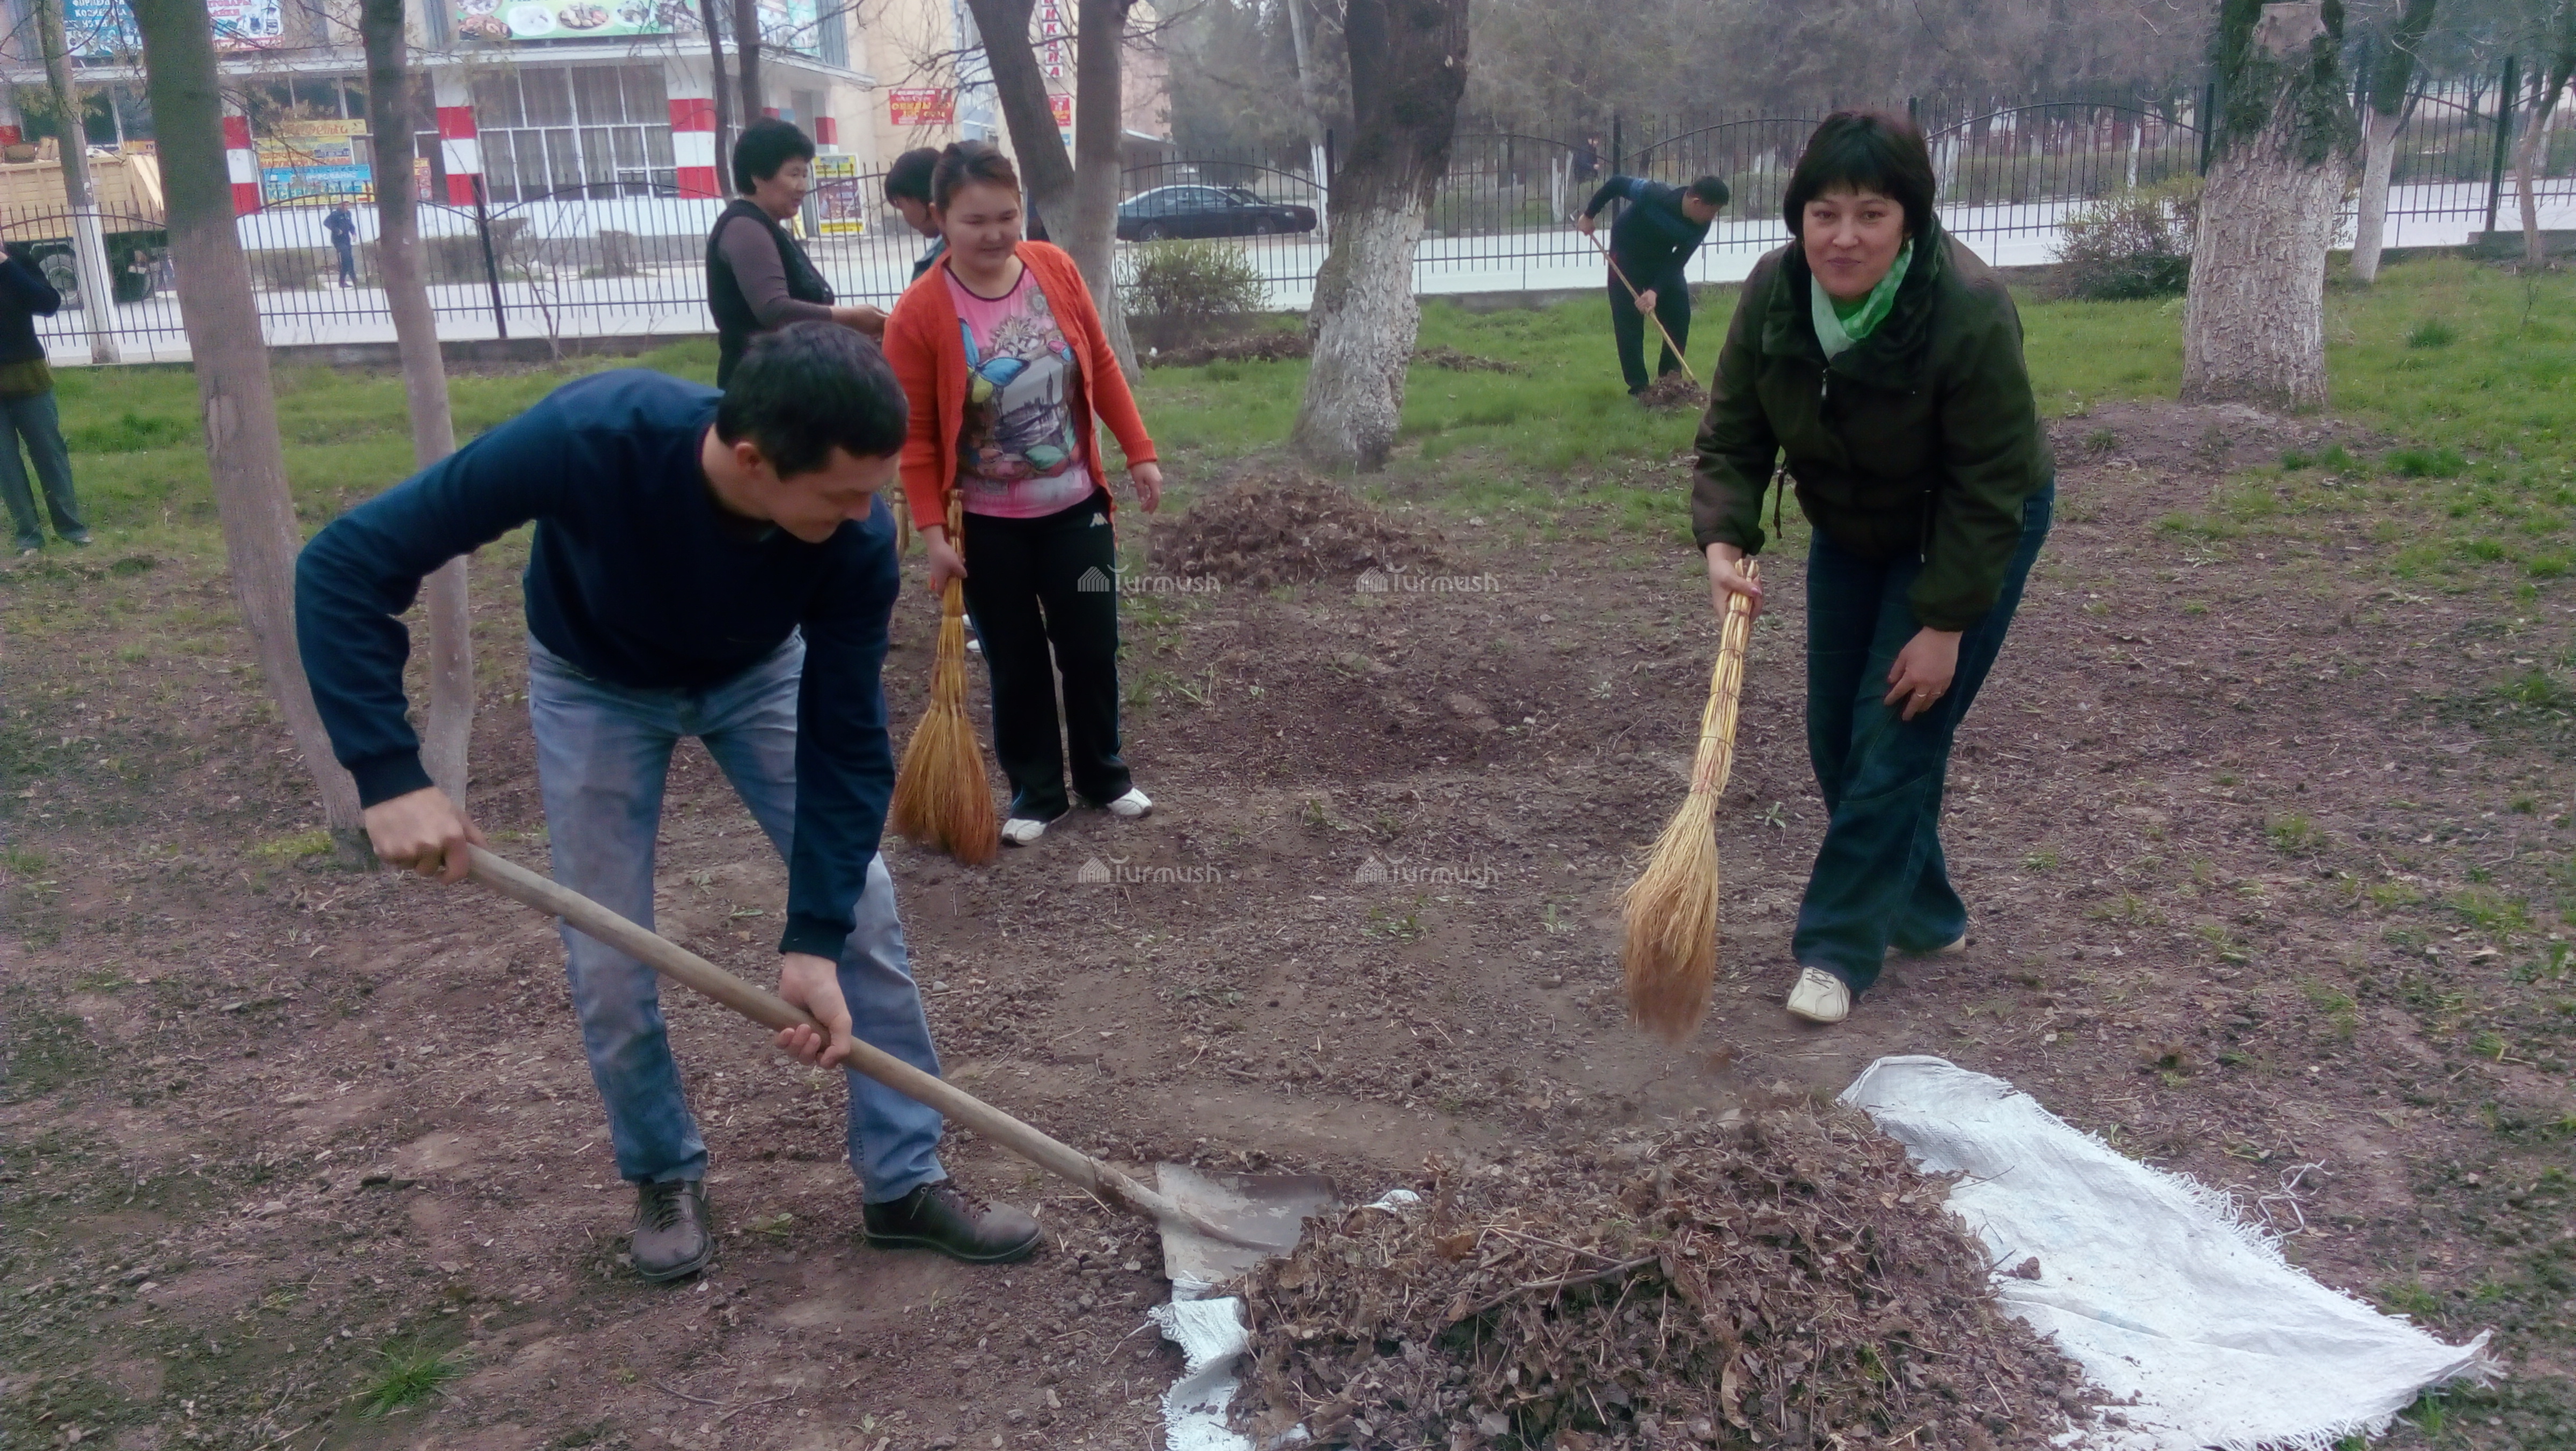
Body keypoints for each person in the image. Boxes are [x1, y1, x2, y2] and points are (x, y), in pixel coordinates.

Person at [292, 323, 1042, 1281]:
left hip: (759, 673)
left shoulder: (852, 543)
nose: (868, 516)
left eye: (875, 489)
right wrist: (390, 774)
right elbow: (345, 565)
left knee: (864, 914)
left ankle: (905, 1180)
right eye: (842, 493)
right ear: (752, 460)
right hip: (593, 682)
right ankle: (662, 1172)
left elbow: (845, 746)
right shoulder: (589, 438)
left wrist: (812, 935)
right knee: (607, 953)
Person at [1690, 111, 2052, 1027]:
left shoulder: (1966, 308)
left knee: (1895, 729)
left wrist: (1946, 624)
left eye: (1871, 214)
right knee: (1835, 736)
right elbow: (1735, 432)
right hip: (1853, 522)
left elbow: (1989, 485)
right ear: (1799, 218)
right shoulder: (1776, 291)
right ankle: (1926, 915)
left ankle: (1836, 950)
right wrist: (1724, 539)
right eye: (1824, 214)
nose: (1843, 237)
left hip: (1964, 525)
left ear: (1910, 220)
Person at [883, 141, 1161, 848]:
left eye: (1007, 216)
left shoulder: (1054, 269)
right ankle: (1037, 792)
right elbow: (915, 438)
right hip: (986, 526)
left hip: (1076, 510)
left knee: (1092, 646)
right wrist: (934, 538)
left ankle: (1103, 775)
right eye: (975, 221)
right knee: (1016, 660)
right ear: (941, 217)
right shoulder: (919, 313)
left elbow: (1099, 361)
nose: (995, 234)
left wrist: (1139, 452)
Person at [707, 119, 885, 387]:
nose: (802, 186)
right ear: (758, 177)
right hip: (761, 389)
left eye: (805, 174)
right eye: (793, 174)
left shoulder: (770, 227)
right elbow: (775, 310)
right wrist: (852, 318)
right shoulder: (745, 227)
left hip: (790, 381)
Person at [1577, 172, 1729, 396]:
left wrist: (1655, 291)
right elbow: (1617, 183)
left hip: (1662, 260)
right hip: (1626, 254)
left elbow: (1678, 260)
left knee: (1679, 312)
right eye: (1713, 211)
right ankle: (1639, 387)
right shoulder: (1654, 193)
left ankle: (1670, 380)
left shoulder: (1700, 226)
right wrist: (1589, 215)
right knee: (1628, 319)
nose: (1713, 217)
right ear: (1697, 203)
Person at [0, 240, 86, 559]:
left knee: (50, 453)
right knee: (5, 462)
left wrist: (6, 265)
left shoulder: (17, 260)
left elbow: (47, 303)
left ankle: (71, 529)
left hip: (28, 373)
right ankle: (28, 537)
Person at [885, 146, 947, 281]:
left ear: (920, 196)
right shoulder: (951, 246)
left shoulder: (948, 256)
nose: (904, 215)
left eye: (900, 204)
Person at [325, 203, 358, 288]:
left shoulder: (348, 214)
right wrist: (337, 230)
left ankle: (342, 282)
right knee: (347, 259)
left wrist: (354, 234)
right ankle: (355, 281)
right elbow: (326, 223)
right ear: (340, 206)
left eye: (347, 205)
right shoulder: (335, 214)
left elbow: (351, 225)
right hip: (338, 241)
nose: (346, 207)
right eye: (344, 205)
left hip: (347, 240)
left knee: (347, 261)